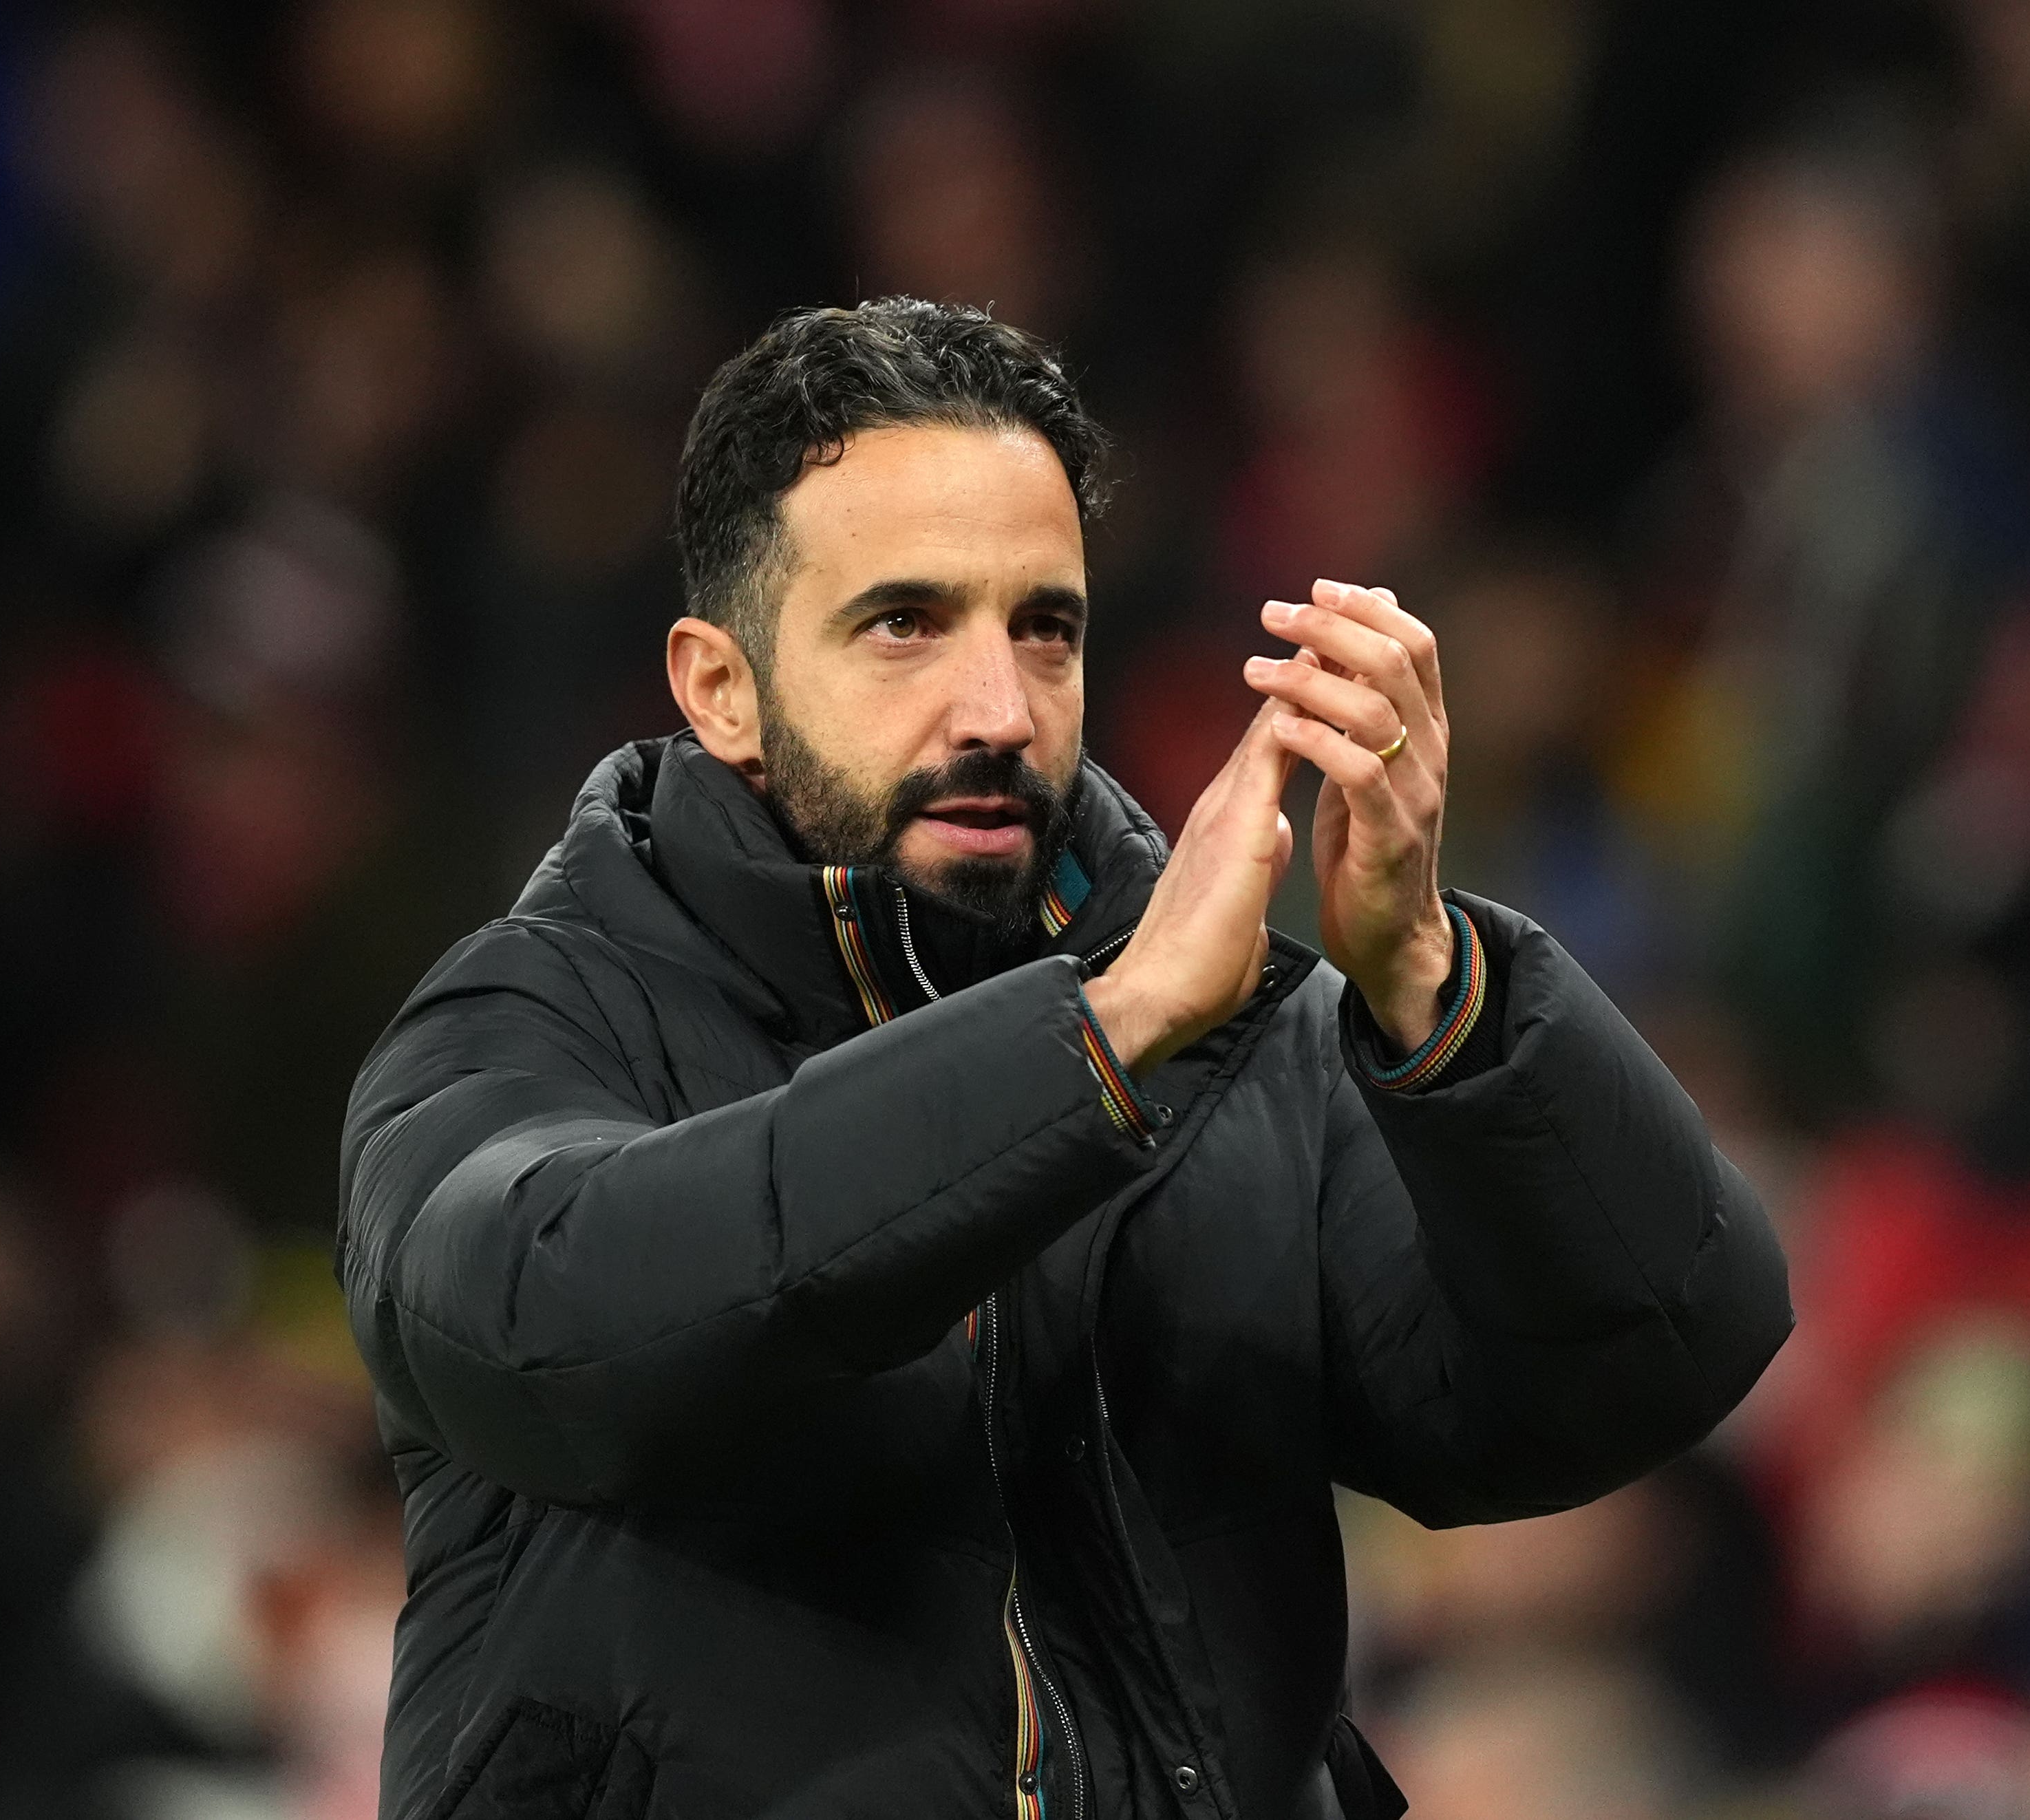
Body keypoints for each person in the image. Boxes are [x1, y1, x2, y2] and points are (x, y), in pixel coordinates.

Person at [336, 298, 1793, 1820]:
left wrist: (1432, 984)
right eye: (903, 623)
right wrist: (1093, 1043)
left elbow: (1645, 1364)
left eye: (1045, 626)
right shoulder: (528, 1016)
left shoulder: (1232, 1038)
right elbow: (556, 1331)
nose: (1000, 709)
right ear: (721, 689)